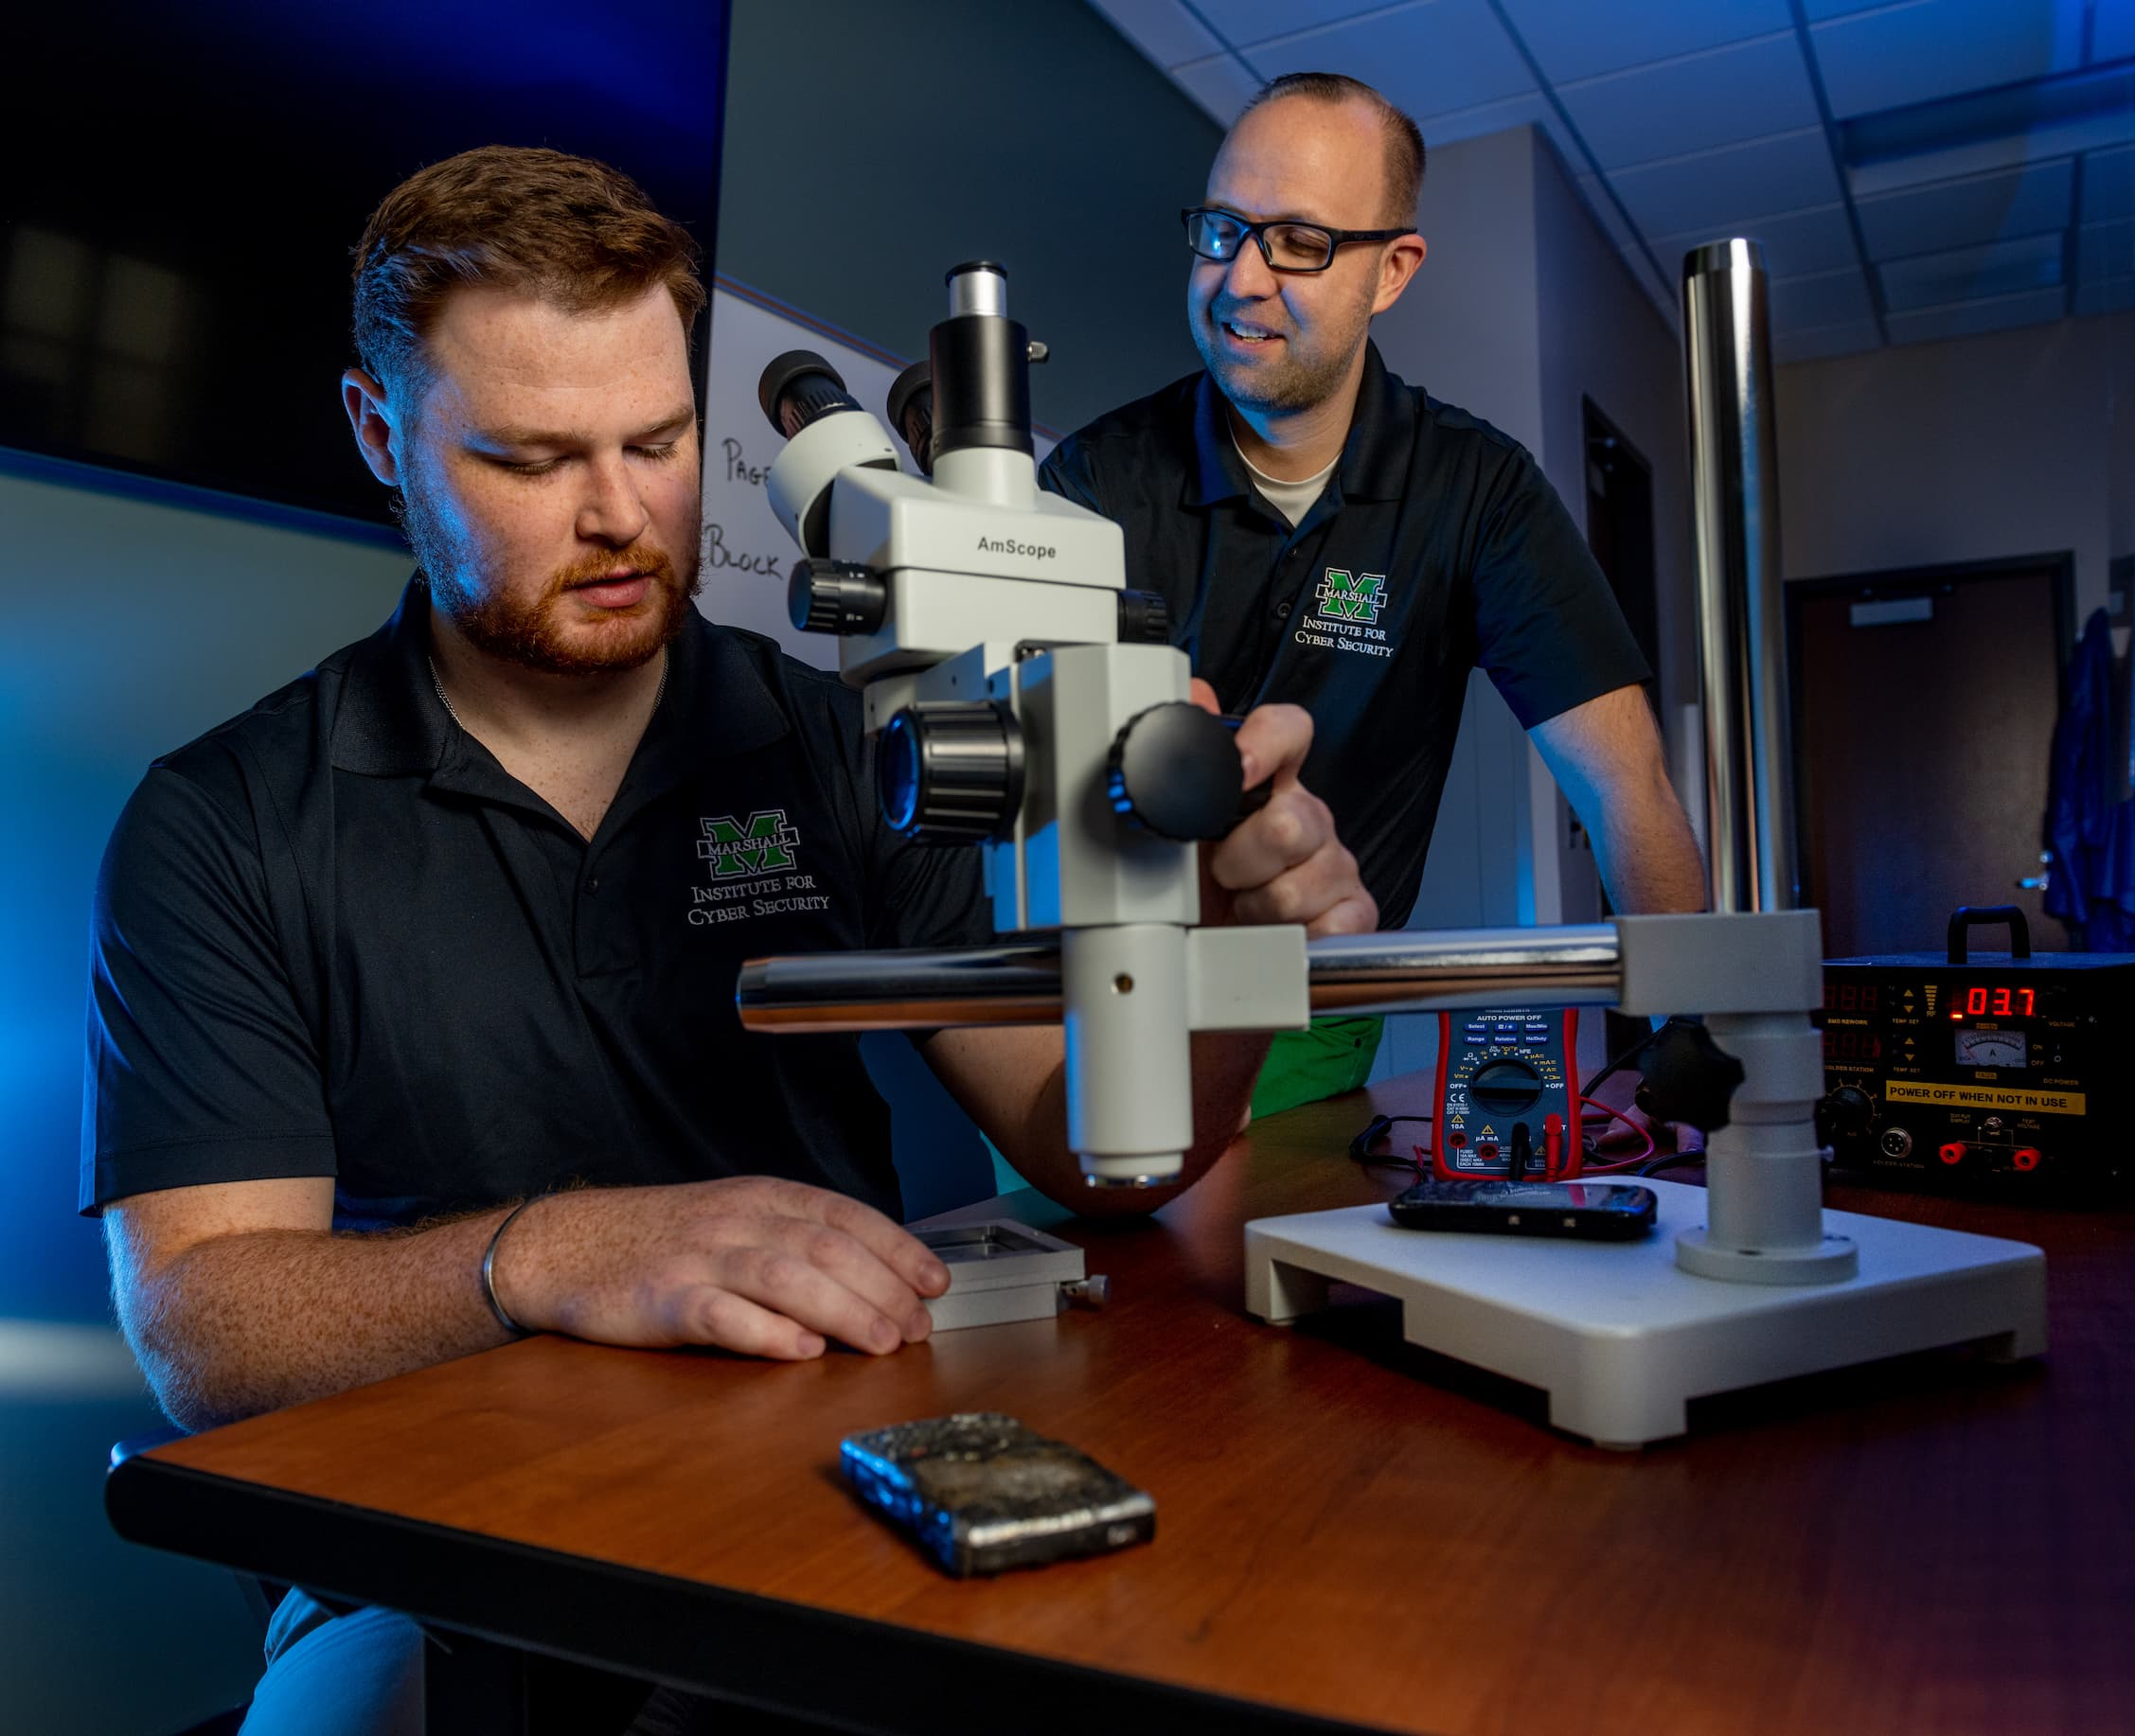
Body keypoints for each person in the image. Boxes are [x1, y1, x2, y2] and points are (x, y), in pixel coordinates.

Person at [81, 146, 1373, 1734]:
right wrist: (551, 1254)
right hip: (432, 1538)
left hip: (833, 1470)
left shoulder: (838, 745)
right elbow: (203, 1325)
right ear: (378, 432)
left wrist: (1222, 942)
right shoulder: (225, 822)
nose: (620, 513)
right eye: (531, 457)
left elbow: (1103, 1152)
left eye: (660, 439)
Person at [1039, 73, 1706, 1111]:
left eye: (1298, 242)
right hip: (1094, 994)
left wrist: (1688, 1021)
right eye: (1222, 230)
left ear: (1391, 271)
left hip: (1308, 1006)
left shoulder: (1476, 491)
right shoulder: (1096, 478)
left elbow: (1624, 784)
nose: (1242, 278)